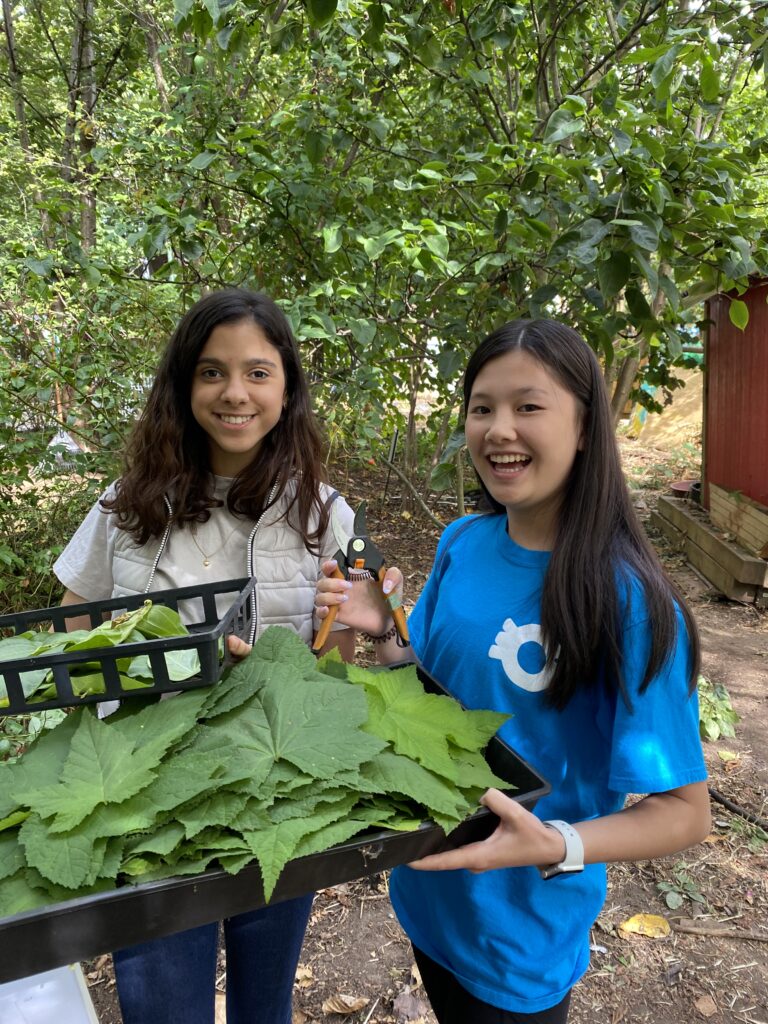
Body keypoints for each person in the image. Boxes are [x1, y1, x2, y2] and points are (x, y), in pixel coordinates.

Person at [315, 318, 710, 1024]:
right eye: (482, 407)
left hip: (519, 936)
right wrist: (382, 630)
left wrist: (563, 844)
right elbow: (422, 691)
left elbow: (684, 813)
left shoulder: (627, 601)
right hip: (427, 894)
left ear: (586, 427)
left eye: (529, 407)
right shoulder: (463, 541)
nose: (500, 429)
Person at [53, 288, 356, 1024]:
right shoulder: (126, 506)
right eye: (212, 372)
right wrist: (165, 655)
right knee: (164, 1009)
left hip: (277, 799)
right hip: (145, 807)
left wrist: (349, 626)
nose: (235, 393)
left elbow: (337, 670)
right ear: (184, 385)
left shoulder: (323, 513)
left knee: (265, 1006)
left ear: (286, 389)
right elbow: (70, 636)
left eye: (258, 372)